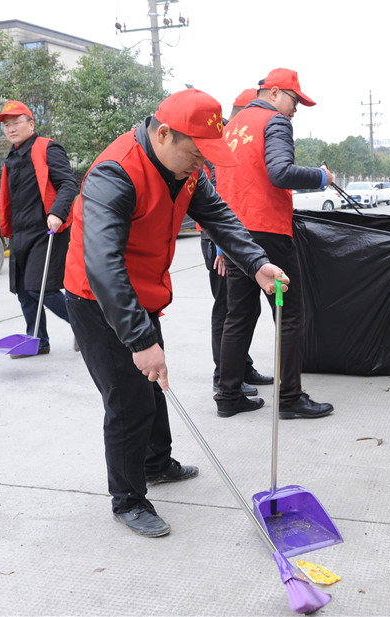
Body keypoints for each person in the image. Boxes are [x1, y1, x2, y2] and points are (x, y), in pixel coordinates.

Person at [63, 88, 288, 537]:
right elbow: (103, 264)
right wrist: (139, 339)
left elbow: (218, 216)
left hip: (142, 293)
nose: (200, 165)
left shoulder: (186, 171)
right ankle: (128, 499)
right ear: (164, 134)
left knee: (153, 384)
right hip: (98, 299)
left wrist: (256, 263)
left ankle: (156, 463)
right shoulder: (115, 173)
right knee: (128, 400)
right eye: (196, 153)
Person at [215, 68, 335, 419]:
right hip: (267, 232)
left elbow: (223, 185)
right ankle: (290, 398)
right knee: (290, 315)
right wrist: (322, 177)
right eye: (295, 100)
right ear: (275, 93)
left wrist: (222, 241)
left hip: (235, 234)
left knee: (238, 315)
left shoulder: (231, 128)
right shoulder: (275, 121)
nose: (295, 109)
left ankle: (228, 394)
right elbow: (280, 172)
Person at [0, 101, 78, 358]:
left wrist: (57, 212)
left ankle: (89, 327)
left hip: (46, 229)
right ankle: (37, 341)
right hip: (20, 232)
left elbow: (68, 184)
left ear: (31, 123)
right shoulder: (12, 157)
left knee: (41, 288)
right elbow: (8, 194)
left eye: (16, 123)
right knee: (24, 290)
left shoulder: (48, 148)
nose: (11, 129)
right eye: (7, 125)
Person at [200, 88, 272, 398]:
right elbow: (220, 197)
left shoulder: (233, 138)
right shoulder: (222, 139)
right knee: (228, 309)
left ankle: (242, 367)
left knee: (246, 309)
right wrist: (222, 246)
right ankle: (224, 376)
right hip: (219, 240)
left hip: (233, 237)